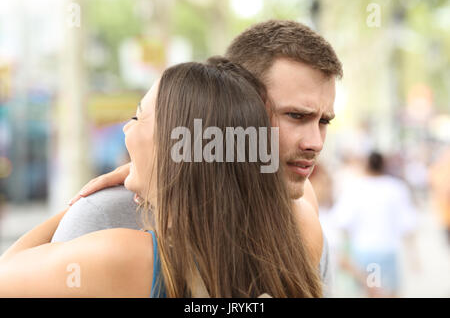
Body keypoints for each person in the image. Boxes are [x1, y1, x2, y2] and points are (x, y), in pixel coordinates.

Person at [55, 20, 343, 296]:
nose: (315, 143)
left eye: (323, 122)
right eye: (296, 116)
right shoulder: (105, 214)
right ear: (237, 102)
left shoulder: (300, 224)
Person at [0, 58, 323, 297]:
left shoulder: (129, 259)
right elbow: (282, 183)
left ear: (171, 147)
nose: (127, 129)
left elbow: (6, 275)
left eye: (137, 116)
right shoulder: (299, 234)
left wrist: (76, 204)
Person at [330, 151, 420, 297]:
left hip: (364, 251)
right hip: (388, 250)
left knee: (372, 292)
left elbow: (341, 221)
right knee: (390, 293)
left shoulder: (355, 188)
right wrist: (414, 256)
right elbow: (408, 224)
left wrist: (344, 252)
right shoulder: (396, 188)